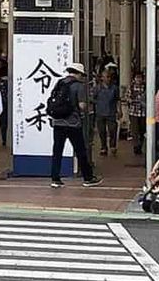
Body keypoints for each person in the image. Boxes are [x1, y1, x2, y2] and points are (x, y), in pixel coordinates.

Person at [48, 61, 101, 189]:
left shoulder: (60, 83)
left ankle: (55, 179)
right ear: (78, 73)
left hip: (58, 122)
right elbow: (82, 106)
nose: (82, 77)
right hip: (73, 123)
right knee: (80, 150)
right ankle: (88, 178)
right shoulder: (79, 86)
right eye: (81, 75)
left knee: (57, 150)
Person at [94, 65, 121, 158]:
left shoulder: (114, 88)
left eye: (109, 77)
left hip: (111, 112)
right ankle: (103, 147)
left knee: (112, 129)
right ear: (102, 78)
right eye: (106, 77)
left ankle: (113, 145)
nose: (108, 79)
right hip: (100, 112)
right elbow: (93, 98)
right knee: (101, 131)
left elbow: (118, 100)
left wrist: (119, 110)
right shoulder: (97, 88)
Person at [128, 69, 146, 155]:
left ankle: (140, 145)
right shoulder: (131, 88)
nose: (138, 79)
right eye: (137, 77)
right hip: (133, 112)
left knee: (142, 130)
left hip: (144, 113)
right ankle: (136, 146)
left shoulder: (146, 87)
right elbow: (128, 99)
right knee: (135, 130)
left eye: (140, 78)